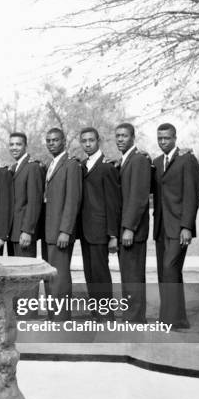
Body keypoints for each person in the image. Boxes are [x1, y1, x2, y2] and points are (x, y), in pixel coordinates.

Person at [152, 123, 199, 329]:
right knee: (167, 273)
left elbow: (192, 194)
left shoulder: (187, 159)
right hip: (161, 226)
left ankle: (168, 320)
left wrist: (187, 226)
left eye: (167, 138)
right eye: (160, 138)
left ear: (175, 137)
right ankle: (179, 318)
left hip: (179, 226)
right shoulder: (156, 162)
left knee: (170, 269)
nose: (163, 142)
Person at [78, 127, 121, 321]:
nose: (87, 144)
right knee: (90, 274)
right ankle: (96, 313)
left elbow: (113, 203)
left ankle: (107, 315)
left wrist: (113, 235)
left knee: (101, 274)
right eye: (84, 141)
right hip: (85, 230)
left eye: (91, 140)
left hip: (101, 230)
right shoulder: (81, 165)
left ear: (99, 141)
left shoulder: (107, 167)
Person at [43, 128, 82, 320]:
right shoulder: (51, 164)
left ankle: (62, 318)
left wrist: (65, 231)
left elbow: (72, 200)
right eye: (49, 140)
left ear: (64, 141)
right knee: (50, 276)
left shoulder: (70, 165)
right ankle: (53, 316)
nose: (52, 143)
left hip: (60, 231)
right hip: (49, 231)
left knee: (60, 276)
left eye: (55, 140)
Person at [116, 123, 151, 323]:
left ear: (133, 138)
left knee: (133, 276)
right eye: (118, 136)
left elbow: (139, 197)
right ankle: (132, 316)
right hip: (126, 229)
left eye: (124, 136)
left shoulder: (138, 160)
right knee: (129, 276)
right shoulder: (126, 160)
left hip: (133, 230)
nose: (120, 139)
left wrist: (129, 228)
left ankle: (135, 318)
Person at [8, 132, 43, 258]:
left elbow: (34, 202)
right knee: (15, 274)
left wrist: (27, 230)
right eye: (11, 144)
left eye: (18, 144)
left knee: (26, 273)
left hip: (24, 233)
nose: (14, 147)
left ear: (25, 146)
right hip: (13, 233)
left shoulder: (32, 167)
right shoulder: (14, 167)